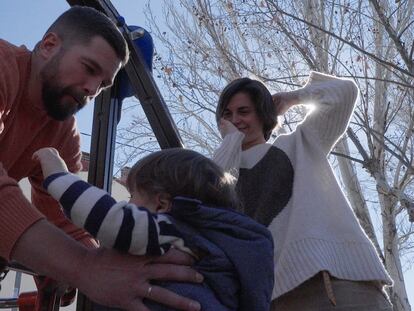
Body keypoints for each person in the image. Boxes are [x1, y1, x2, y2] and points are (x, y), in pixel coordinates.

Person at [0, 6, 203, 311]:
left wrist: (102, 261)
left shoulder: (62, 134)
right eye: (89, 68)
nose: (91, 90)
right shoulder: (4, 67)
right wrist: (83, 268)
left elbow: (64, 219)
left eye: (103, 84)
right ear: (49, 45)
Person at [213, 71, 393, 310]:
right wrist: (229, 144)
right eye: (227, 115)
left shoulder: (299, 143)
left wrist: (292, 98)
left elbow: (344, 92)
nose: (235, 120)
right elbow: (209, 200)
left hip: (339, 282)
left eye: (243, 111)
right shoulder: (221, 167)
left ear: (262, 114)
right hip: (274, 299)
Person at [33, 147, 274, 311]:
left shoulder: (171, 230)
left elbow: (106, 219)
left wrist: (58, 175)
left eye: (132, 195)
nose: (126, 204)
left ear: (161, 204)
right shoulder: (216, 246)